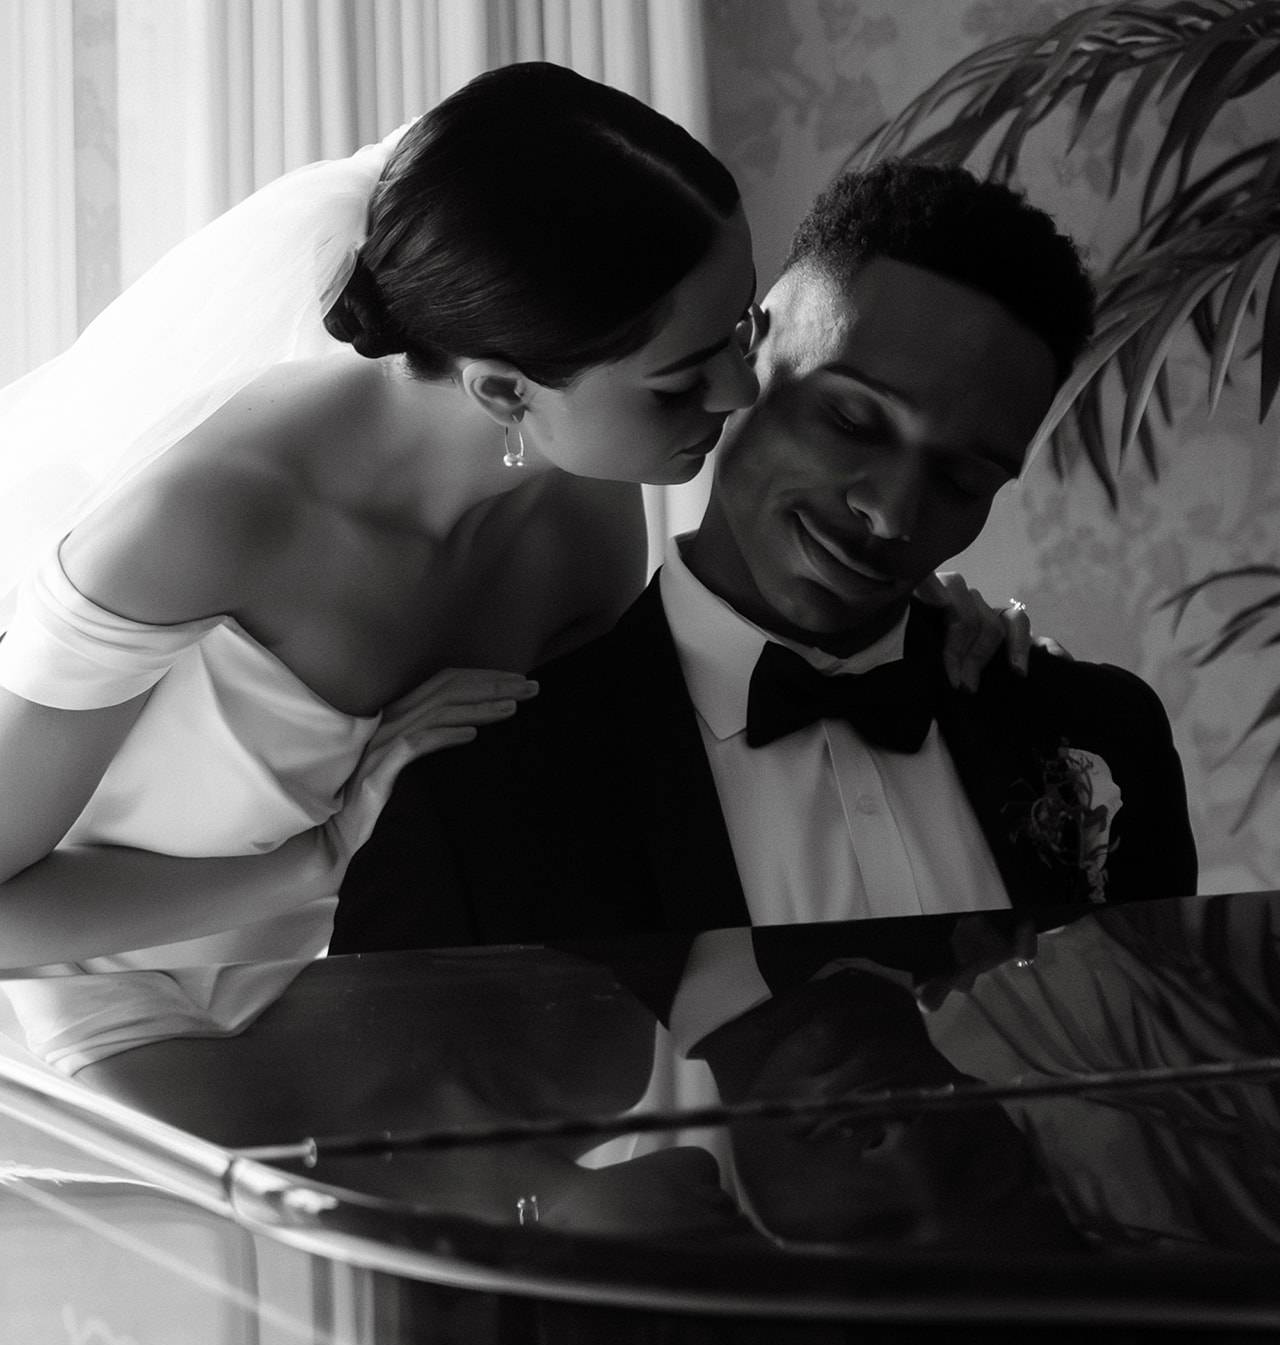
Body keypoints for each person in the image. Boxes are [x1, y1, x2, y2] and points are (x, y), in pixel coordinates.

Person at [0, 65, 1020, 981]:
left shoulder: (578, 507)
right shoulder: (204, 518)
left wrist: (904, 618)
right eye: (677, 382)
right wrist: (313, 862)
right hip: (97, 1050)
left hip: (385, 1020)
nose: (740, 391)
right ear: (501, 391)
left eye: (741, 329)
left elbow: (609, 765)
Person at [332, 161, 1199, 954]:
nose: (890, 514)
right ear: (742, 351)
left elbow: (1164, 1084)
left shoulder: (1103, 734)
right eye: (853, 421)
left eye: (963, 478)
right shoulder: (473, 796)